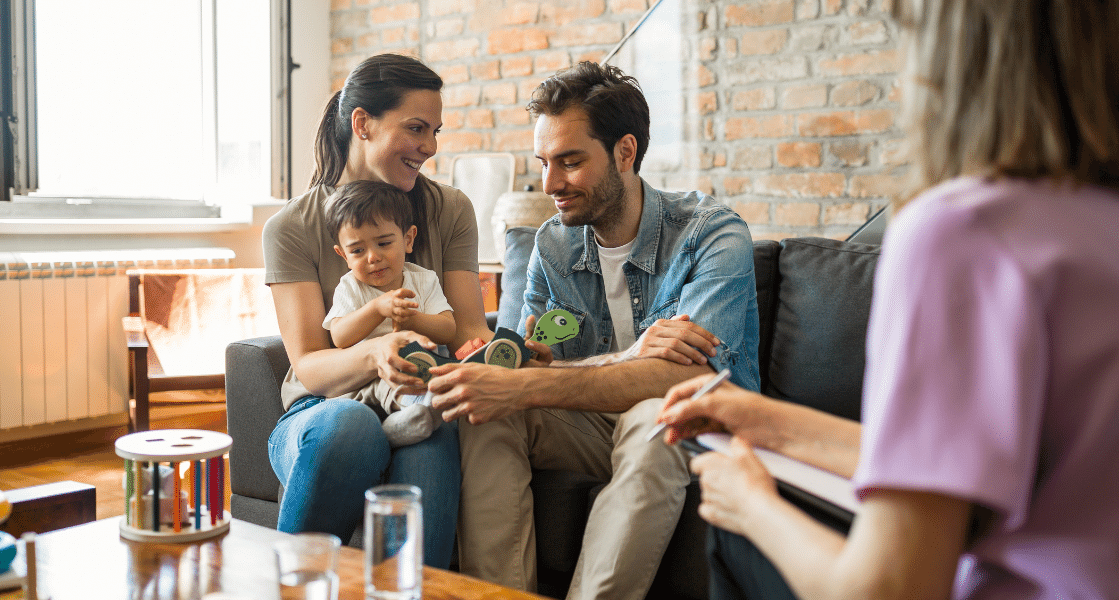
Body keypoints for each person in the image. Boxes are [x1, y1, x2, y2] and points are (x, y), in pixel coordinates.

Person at [656, 0, 1119, 598]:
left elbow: (889, 589)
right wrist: (769, 421)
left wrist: (750, 505)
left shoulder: (965, 231)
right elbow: (984, 472)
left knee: (733, 547)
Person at [428, 61, 761, 600]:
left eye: (570, 161)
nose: (550, 184)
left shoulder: (711, 234)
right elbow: (518, 370)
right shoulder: (553, 244)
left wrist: (541, 380)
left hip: (700, 429)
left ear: (625, 152)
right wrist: (525, 367)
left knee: (656, 418)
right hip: (592, 424)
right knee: (488, 411)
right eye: (544, 163)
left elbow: (688, 383)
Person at [262, 53, 492, 570]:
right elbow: (310, 366)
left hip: (417, 395)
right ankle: (294, 583)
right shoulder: (291, 228)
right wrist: (377, 351)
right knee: (351, 425)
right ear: (362, 123)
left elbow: (468, 331)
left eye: (434, 131)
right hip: (321, 408)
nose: (430, 147)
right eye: (415, 128)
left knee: (432, 429)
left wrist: (504, 355)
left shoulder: (450, 210)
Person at [322, 179, 455, 448]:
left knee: (440, 379)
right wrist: (376, 308)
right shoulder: (350, 287)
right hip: (369, 378)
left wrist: (412, 318)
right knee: (391, 385)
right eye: (357, 251)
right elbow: (339, 336)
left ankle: (420, 412)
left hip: (420, 368)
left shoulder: (424, 280)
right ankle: (399, 428)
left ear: (408, 239)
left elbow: (448, 330)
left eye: (383, 243)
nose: (372, 257)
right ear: (343, 255)